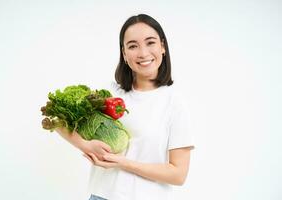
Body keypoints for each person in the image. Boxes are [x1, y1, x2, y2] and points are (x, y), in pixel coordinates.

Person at [56, 13, 194, 200]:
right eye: (133, 46)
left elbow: (178, 175)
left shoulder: (174, 103)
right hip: (101, 196)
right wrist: (86, 145)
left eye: (150, 42)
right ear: (124, 54)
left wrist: (123, 163)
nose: (143, 53)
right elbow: (59, 121)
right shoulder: (109, 93)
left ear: (162, 46)